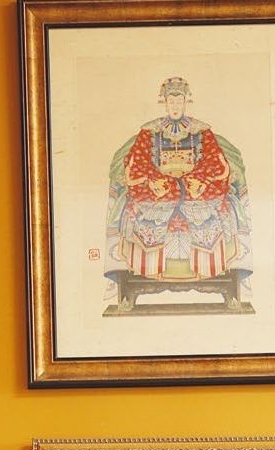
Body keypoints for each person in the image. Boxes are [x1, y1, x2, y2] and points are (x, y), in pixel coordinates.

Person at [104, 77, 252, 306]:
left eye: (179, 100)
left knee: (219, 207)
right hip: (158, 187)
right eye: (170, 100)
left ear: (185, 101)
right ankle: (131, 283)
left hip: (194, 187)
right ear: (164, 102)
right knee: (135, 207)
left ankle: (226, 282)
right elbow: (137, 162)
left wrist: (199, 180)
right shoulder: (149, 131)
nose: (174, 105)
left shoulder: (201, 131)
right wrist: (154, 180)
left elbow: (216, 162)